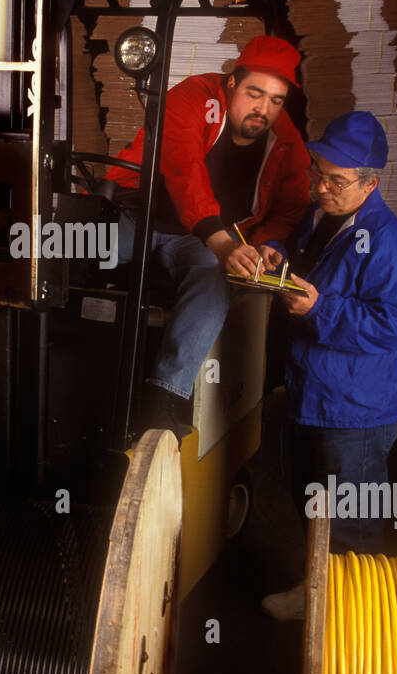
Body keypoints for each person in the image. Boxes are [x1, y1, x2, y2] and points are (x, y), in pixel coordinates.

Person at [106, 35, 311, 430]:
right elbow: (185, 169)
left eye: (276, 100)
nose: (263, 109)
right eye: (255, 93)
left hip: (198, 241)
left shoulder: (284, 139)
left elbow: (291, 206)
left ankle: (166, 397)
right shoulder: (193, 96)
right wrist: (220, 240)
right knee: (68, 252)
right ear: (232, 82)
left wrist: (263, 245)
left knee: (213, 282)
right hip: (142, 215)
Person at [267, 110, 397, 558]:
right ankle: (316, 598)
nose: (320, 187)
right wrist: (274, 254)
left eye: (335, 181)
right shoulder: (321, 217)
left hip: (357, 412)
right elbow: (295, 249)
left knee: (351, 526)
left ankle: (351, 618)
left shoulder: (389, 244)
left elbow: (391, 326)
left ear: (370, 184)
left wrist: (319, 308)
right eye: (318, 172)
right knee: (312, 505)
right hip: (312, 395)